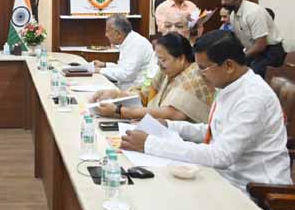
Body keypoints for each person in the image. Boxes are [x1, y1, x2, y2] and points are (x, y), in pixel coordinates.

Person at [121, 30, 291, 193]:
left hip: (255, 191)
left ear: (229, 66)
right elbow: (213, 130)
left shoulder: (253, 98)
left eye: (203, 68)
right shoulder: (230, 85)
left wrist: (149, 144)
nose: (199, 73)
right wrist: (168, 125)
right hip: (224, 177)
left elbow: (221, 155)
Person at [93, 33, 213, 123]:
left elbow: (172, 114)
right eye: (158, 59)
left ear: (181, 59)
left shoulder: (194, 76)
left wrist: (120, 111)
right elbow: (145, 94)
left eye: (163, 60)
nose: (159, 64)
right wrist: (116, 94)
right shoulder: (167, 71)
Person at [219, 0, 285, 77]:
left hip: (270, 52)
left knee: (250, 76)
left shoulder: (253, 12)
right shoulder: (233, 15)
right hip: (254, 52)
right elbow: (240, 42)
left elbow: (260, 45)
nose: (223, 3)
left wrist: (239, 58)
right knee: (231, 70)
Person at [89, 14, 153, 90]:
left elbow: (127, 74)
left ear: (118, 34)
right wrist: (104, 65)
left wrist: (100, 70)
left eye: (107, 31)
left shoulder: (137, 44)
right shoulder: (130, 41)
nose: (106, 35)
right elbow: (122, 68)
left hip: (135, 92)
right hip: (126, 88)